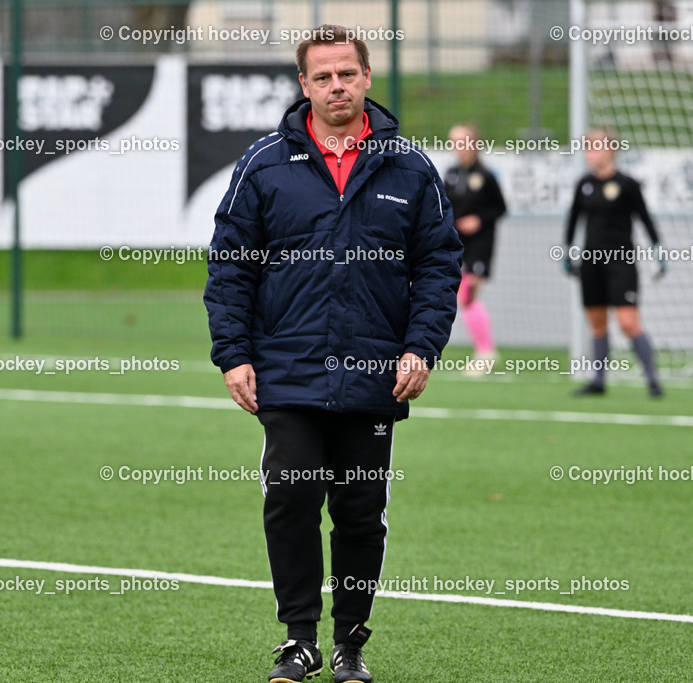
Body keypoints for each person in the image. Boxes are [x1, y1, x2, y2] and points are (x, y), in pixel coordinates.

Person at [203, 24, 462, 683]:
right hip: (286, 368)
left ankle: (349, 642)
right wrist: (234, 354)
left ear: (368, 77)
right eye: (323, 76)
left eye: (347, 73)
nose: (336, 85)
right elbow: (230, 266)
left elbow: (438, 264)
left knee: (358, 509)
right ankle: (298, 639)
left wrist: (421, 346)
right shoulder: (264, 164)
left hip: (377, 372)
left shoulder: (410, 166)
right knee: (289, 493)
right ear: (304, 86)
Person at [563, 126, 665, 397]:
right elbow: (573, 221)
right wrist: (567, 251)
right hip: (590, 262)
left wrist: (658, 249)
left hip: (621, 261)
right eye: (586, 147)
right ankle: (598, 381)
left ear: (610, 150)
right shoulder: (584, 184)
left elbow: (645, 218)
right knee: (597, 322)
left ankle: (653, 379)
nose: (589, 152)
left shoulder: (627, 184)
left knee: (627, 321)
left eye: (595, 146)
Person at [442, 124, 507, 372]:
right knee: (463, 296)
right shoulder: (451, 173)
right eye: (452, 142)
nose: (456, 148)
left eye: (460, 142)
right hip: (457, 244)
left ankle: (485, 352)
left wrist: (478, 219)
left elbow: (500, 208)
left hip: (480, 243)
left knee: (467, 295)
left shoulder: (485, 176)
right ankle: (485, 350)